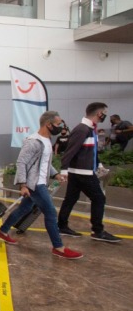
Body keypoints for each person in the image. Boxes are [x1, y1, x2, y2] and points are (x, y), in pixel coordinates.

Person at [0, 111, 82, 259]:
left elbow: (45, 163)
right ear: (48, 124)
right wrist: (23, 184)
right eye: (58, 124)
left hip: (40, 182)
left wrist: (55, 174)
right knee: (51, 213)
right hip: (35, 184)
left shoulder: (47, 140)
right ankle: (58, 247)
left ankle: (2, 231)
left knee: (24, 208)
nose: (60, 127)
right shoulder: (33, 141)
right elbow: (21, 163)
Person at [57, 102, 122, 243]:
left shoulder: (90, 129)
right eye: (104, 112)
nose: (105, 115)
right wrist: (64, 170)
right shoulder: (82, 129)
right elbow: (69, 151)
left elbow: (91, 151)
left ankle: (62, 225)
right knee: (99, 199)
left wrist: (98, 164)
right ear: (99, 114)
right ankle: (97, 231)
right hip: (83, 173)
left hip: (81, 172)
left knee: (71, 198)